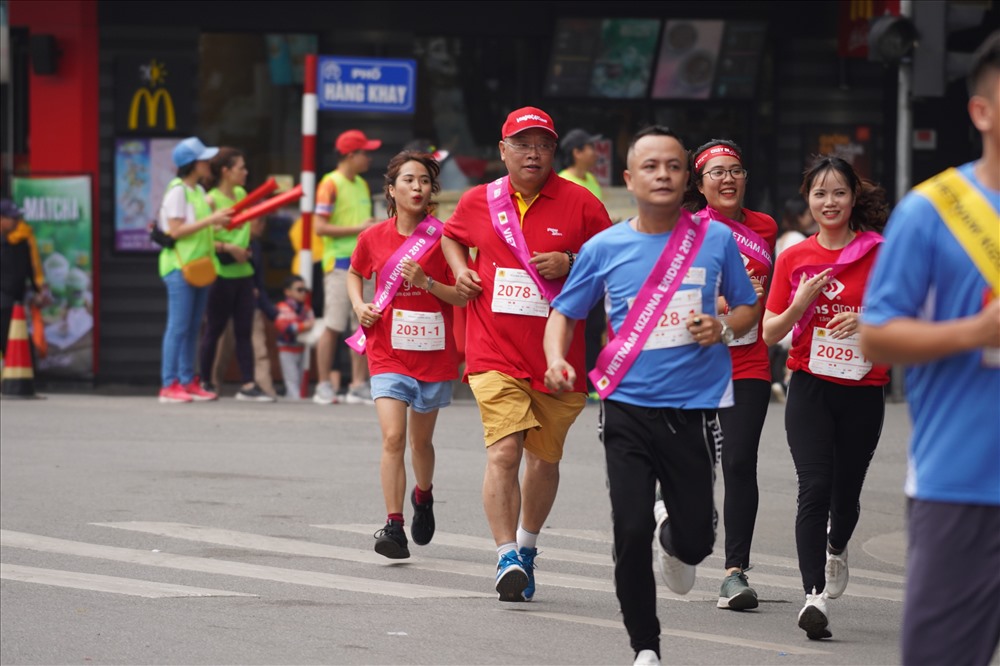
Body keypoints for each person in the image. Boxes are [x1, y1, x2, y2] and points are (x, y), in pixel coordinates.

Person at [544, 125, 759, 666]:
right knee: (630, 527)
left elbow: (748, 306)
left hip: (692, 410)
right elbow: (564, 312)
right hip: (625, 408)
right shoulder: (605, 247)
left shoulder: (715, 241)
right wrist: (555, 359)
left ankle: (678, 539)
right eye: (650, 166)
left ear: (686, 178)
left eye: (672, 166)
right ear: (629, 179)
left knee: (695, 544)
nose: (662, 174)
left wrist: (724, 326)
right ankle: (646, 646)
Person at [859, 32, 1000, 666]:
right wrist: (975, 332)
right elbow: (878, 334)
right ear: (982, 111)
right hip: (962, 487)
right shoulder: (933, 210)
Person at [442, 106, 612, 602]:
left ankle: (527, 547)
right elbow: (452, 237)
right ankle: (505, 557)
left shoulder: (582, 203)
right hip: (492, 350)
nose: (533, 152)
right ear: (503, 151)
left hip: (558, 359)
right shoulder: (479, 201)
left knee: (543, 460)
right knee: (504, 450)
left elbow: (614, 261)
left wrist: (572, 260)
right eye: (522, 143)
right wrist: (459, 269)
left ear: (553, 151)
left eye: (542, 144)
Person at [762, 155, 890, 640]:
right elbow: (770, 329)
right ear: (808, 201)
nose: (829, 202)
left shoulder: (880, 253)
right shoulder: (793, 258)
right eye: (819, 193)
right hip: (810, 386)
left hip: (863, 389)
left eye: (838, 192)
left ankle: (837, 547)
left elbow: (907, 313)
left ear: (853, 198)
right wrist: (801, 303)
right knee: (813, 487)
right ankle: (813, 596)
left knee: (846, 495)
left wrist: (868, 319)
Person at [348, 150, 465, 559]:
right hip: (387, 352)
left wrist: (429, 282)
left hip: (432, 353)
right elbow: (354, 272)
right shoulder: (373, 237)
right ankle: (393, 526)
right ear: (391, 190)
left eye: (424, 181)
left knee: (421, 443)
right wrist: (359, 305)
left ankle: (424, 495)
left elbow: (462, 295)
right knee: (393, 436)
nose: (417, 187)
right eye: (409, 180)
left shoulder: (446, 237)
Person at [683, 138, 777, 611]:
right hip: (695, 361)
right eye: (716, 172)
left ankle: (734, 573)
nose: (727, 179)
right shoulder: (688, 228)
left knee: (740, 462)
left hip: (749, 360)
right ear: (700, 185)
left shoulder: (765, 227)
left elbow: (772, 295)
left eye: (735, 170)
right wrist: (724, 306)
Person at [156, 137, 232, 404]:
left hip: (198, 266)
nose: (208, 163)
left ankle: (187, 381)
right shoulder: (177, 191)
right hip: (179, 266)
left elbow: (200, 228)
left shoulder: (197, 192)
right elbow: (175, 230)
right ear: (192, 164)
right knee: (178, 327)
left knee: (191, 327)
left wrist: (216, 225)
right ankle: (169, 384)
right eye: (203, 160)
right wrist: (212, 219)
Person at [198, 147, 273, 402]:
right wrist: (228, 247)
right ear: (226, 171)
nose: (246, 172)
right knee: (214, 329)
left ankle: (249, 384)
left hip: (244, 271)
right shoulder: (211, 200)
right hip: (221, 272)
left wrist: (245, 248)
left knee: (244, 329)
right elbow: (202, 237)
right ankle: (205, 381)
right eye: (241, 167)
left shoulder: (242, 194)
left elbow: (247, 227)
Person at [313, 129, 381, 405]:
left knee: (362, 326)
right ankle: (323, 385)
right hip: (340, 264)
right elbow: (319, 227)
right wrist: (359, 228)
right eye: (365, 152)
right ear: (351, 155)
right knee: (333, 324)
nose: (369, 158)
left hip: (364, 264)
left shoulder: (361, 184)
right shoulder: (329, 184)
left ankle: (357, 385)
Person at [559, 127, 609, 402]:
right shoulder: (565, 181)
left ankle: (590, 379)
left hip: (595, 263)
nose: (594, 152)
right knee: (571, 323)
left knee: (594, 324)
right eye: (589, 147)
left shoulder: (591, 179)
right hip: (573, 265)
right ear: (577, 153)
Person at [211, 216, 279, 398]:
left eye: (263, 221)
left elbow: (259, 284)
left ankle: (264, 388)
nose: (262, 226)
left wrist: (273, 313)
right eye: (259, 221)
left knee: (258, 347)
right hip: (224, 295)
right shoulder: (225, 239)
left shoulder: (255, 246)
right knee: (221, 345)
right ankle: (211, 384)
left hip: (248, 301)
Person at [769, 197, 816, 401]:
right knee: (795, 342)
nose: (811, 217)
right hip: (795, 297)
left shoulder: (783, 237)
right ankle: (786, 382)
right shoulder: (798, 238)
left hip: (782, 296)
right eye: (807, 214)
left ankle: (781, 381)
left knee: (786, 345)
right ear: (799, 216)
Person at [0, 199, 51, 365]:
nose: (16, 221)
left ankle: (25, 379)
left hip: (14, 302)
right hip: (6, 300)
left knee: (17, 342)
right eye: (12, 218)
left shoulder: (23, 239)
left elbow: (33, 267)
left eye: (17, 217)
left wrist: (39, 290)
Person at [275, 274, 315, 401]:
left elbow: (311, 324)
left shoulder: (306, 308)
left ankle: (293, 399)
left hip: (302, 348)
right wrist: (304, 326)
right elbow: (284, 327)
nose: (303, 293)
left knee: (299, 381)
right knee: (292, 380)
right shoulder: (282, 307)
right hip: (286, 349)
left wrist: (301, 326)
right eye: (299, 289)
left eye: (305, 290)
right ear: (287, 291)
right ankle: (294, 402)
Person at [558, 128, 604, 200]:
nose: (596, 153)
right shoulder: (562, 183)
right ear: (577, 153)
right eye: (591, 147)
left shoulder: (591, 178)